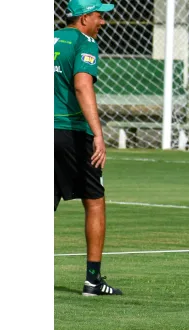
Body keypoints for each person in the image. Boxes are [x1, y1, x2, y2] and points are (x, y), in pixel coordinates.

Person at [54, 0, 122, 296]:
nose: (102, 22)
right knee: (94, 200)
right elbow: (83, 85)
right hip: (71, 132)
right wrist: (97, 133)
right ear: (84, 18)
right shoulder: (86, 41)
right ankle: (92, 281)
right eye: (98, 16)